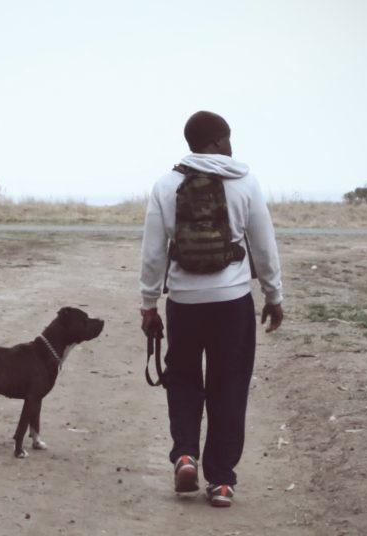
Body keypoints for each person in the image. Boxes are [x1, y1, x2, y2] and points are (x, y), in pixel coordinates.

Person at [139, 110, 284, 507]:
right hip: (232, 302)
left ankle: (185, 453)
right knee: (229, 388)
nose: (231, 144)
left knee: (183, 379)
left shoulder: (166, 185)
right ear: (218, 141)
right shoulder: (245, 182)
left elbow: (153, 253)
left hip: (184, 303)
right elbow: (263, 245)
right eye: (228, 138)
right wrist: (274, 295)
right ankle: (220, 481)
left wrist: (149, 304)